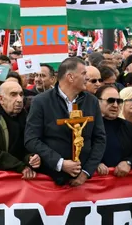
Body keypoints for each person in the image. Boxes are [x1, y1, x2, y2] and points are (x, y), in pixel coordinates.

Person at [24, 57, 105, 188]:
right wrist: (60, 163)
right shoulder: (41, 102)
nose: (87, 78)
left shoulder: (92, 101)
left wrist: (86, 172)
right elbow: (31, 139)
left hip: (84, 181)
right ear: (70, 77)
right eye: (84, 73)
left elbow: (100, 139)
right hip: (50, 180)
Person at [0, 79, 40, 179]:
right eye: (13, 95)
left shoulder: (26, 117)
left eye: (21, 94)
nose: (19, 99)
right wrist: (19, 166)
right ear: (1, 99)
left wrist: (31, 158)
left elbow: (29, 146)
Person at [94, 84, 132, 177]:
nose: (115, 105)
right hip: (95, 182)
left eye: (118, 101)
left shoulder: (128, 126)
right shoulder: (88, 126)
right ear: (98, 102)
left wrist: (128, 162)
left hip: (122, 182)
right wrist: (95, 163)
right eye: (110, 101)